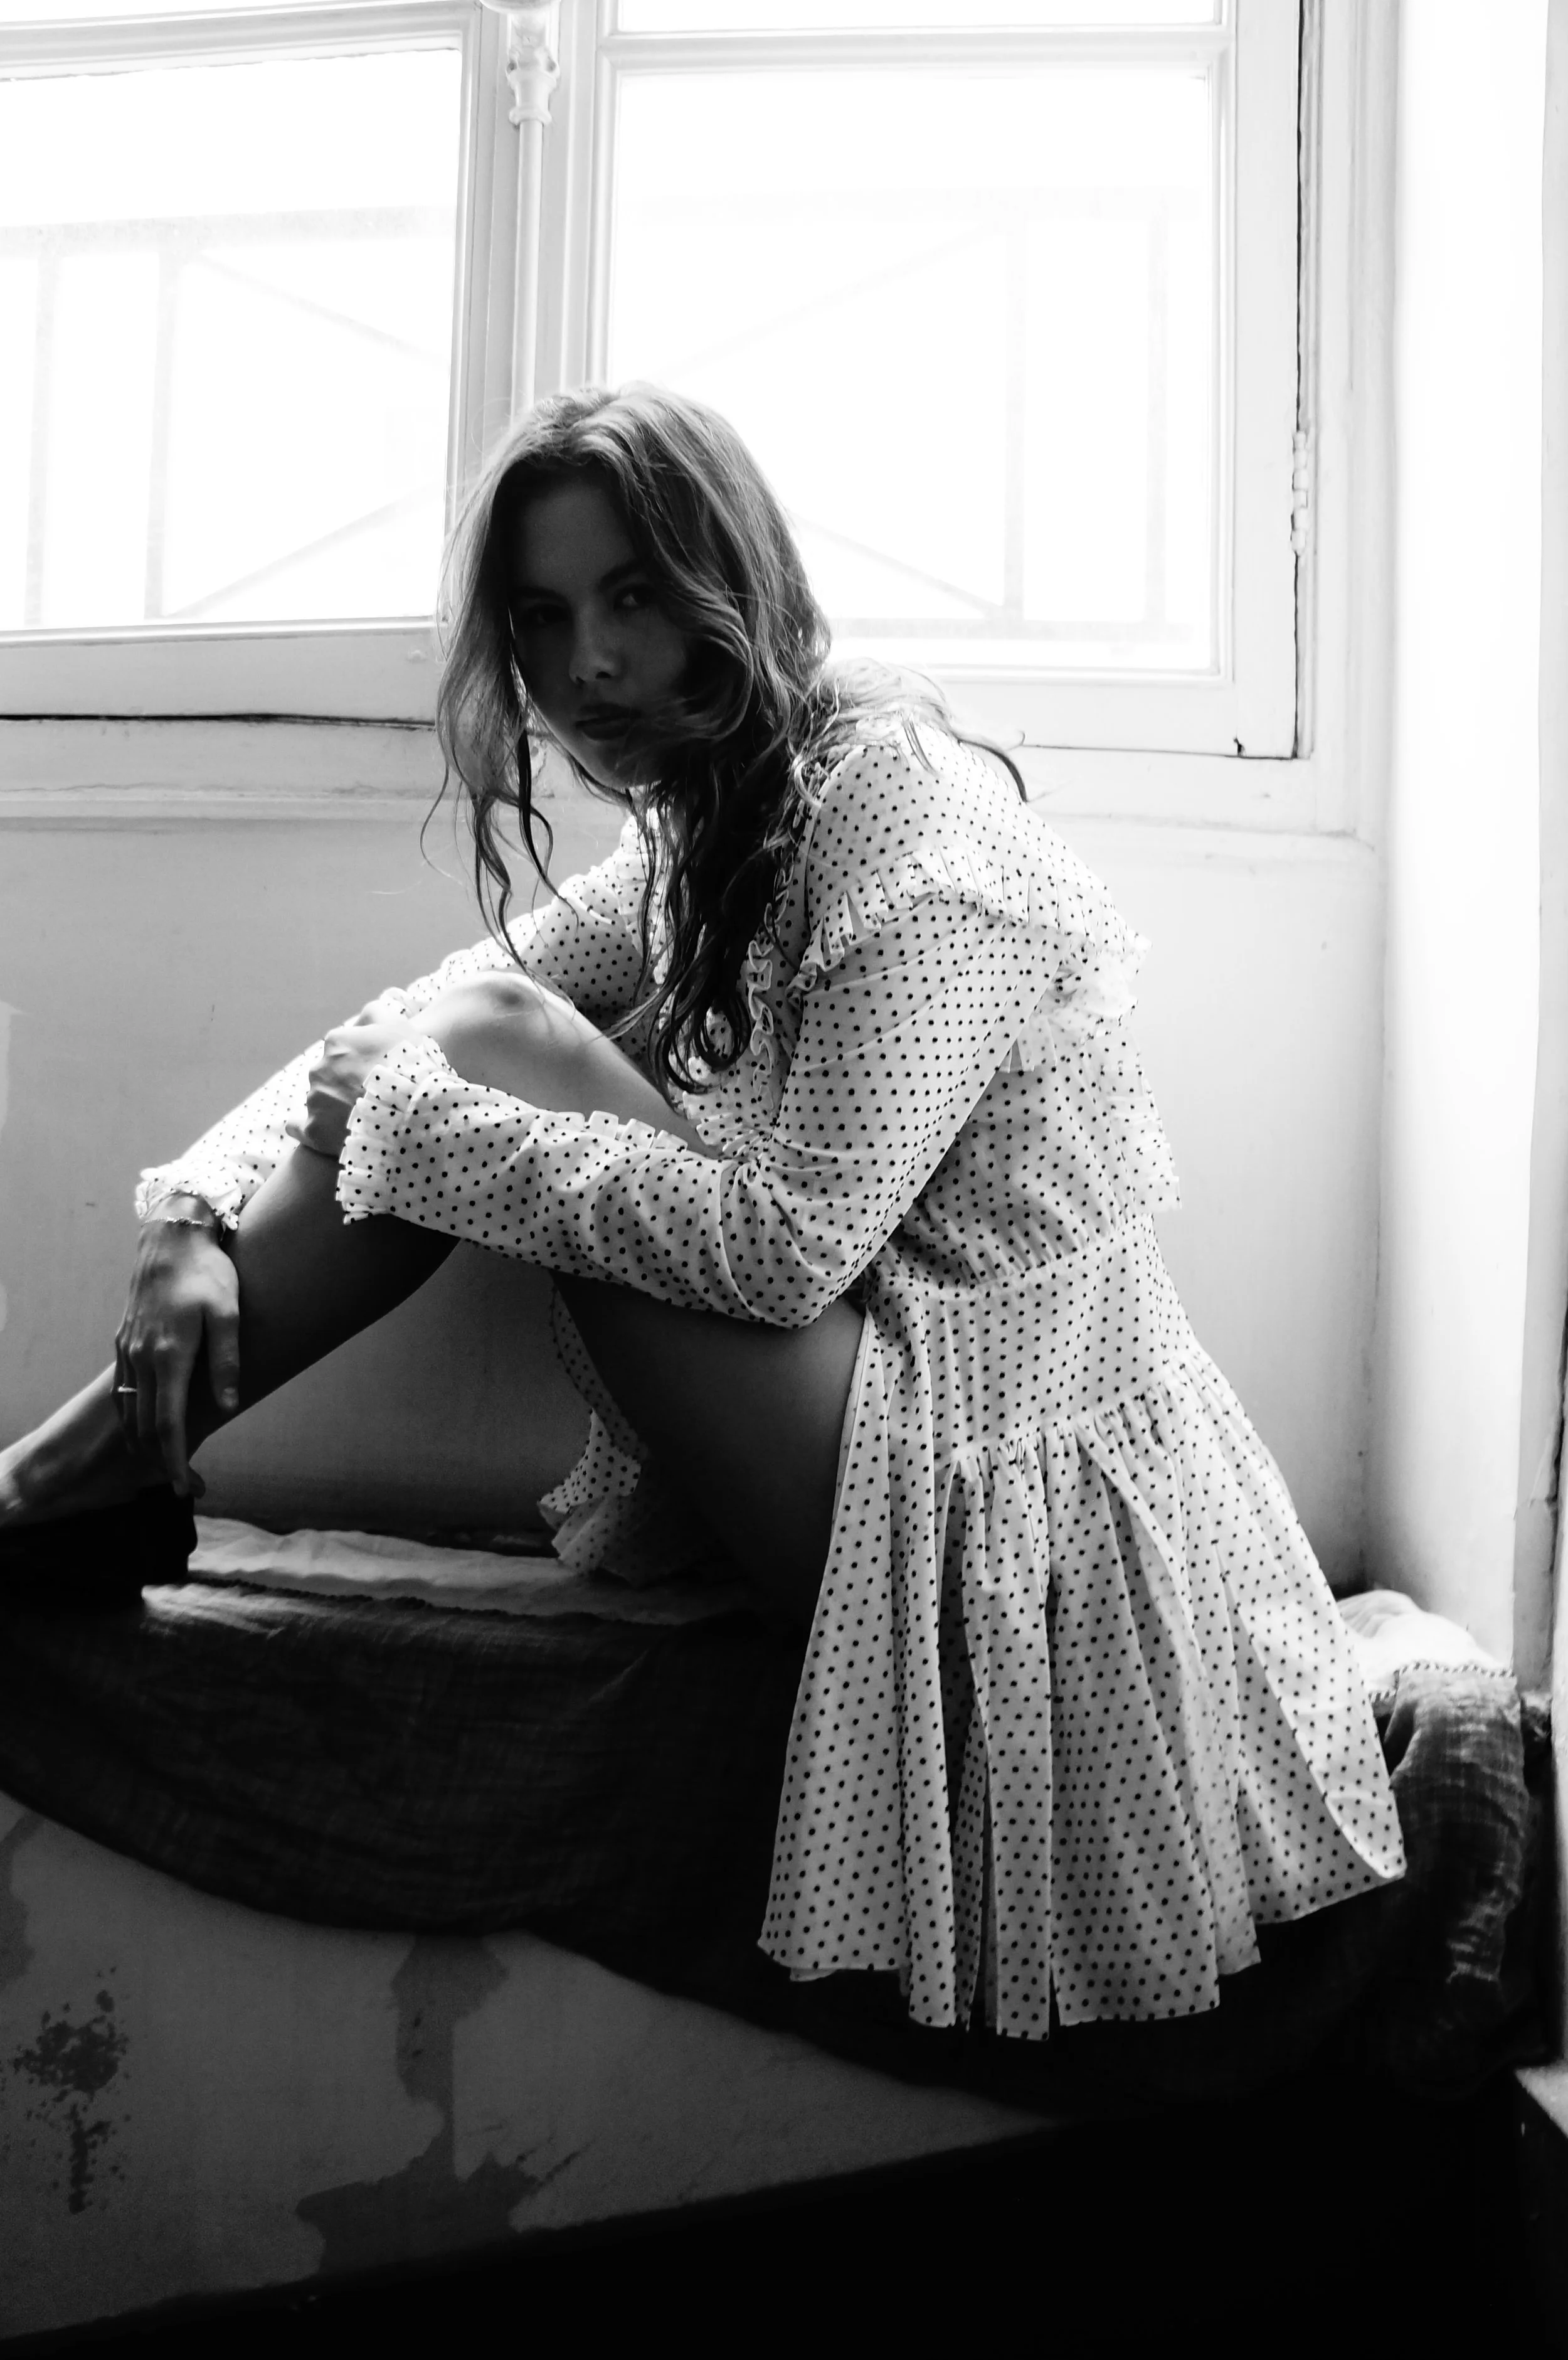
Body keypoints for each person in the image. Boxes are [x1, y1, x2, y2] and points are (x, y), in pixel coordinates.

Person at [0, 385, 1404, 2044]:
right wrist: (186, 1214)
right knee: (475, 1037)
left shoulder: (900, 812)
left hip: (995, 1516)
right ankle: (71, 1477)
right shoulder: (716, 819)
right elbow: (451, 1003)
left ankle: (62, 1485)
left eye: (635, 595)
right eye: (541, 616)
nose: (587, 664)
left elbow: (792, 1246)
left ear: (731, 575)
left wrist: (443, 1138)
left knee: (480, 1069)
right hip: (876, 1439)